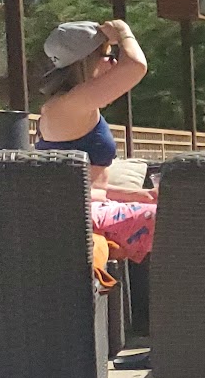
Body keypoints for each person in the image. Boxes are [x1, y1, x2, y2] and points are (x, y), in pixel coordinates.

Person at [34, 19, 156, 262]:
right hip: (82, 218)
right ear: (86, 62)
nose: (114, 63)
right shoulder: (73, 104)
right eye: (109, 56)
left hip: (82, 212)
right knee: (185, 219)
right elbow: (135, 66)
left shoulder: (65, 104)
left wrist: (140, 195)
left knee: (176, 212)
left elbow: (86, 186)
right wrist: (123, 31)